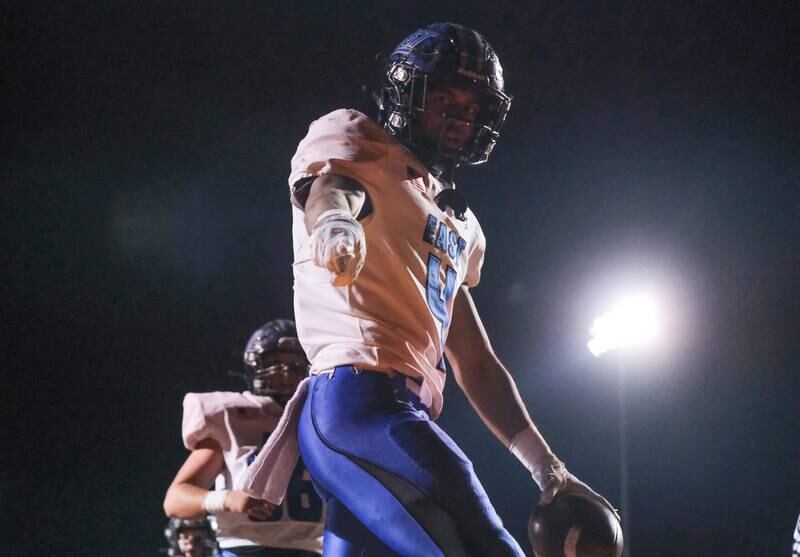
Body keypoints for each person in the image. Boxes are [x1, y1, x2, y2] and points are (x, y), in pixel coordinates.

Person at [246, 22, 616, 556]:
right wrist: (335, 223)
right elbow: (333, 189)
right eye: (443, 97)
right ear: (406, 94)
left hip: (391, 413)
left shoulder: (460, 224)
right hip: (359, 403)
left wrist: (546, 465)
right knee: (484, 544)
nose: (458, 116)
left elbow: (476, 361)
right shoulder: (360, 142)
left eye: (470, 106)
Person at [163, 320, 324, 556]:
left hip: (313, 549)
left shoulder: (320, 419)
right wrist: (227, 499)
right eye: (275, 363)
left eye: (295, 364)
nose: (287, 372)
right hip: (244, 549)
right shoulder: (233, 417)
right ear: (255, 366)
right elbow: (175, 500)